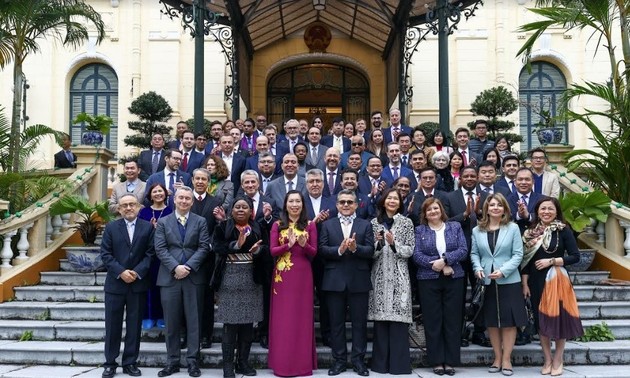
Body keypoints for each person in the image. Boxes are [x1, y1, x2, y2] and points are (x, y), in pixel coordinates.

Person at [522, 197, 583, 377]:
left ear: (556, 211)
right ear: (537, 211)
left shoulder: (564, 230)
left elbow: (575, 256)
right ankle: (547, 359)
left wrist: (553, 261)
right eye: (543, 209)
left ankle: (558, 358)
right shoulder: (530, 233)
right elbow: (526, 261)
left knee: (559, 320)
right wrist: (524, 283)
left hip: (557, 279)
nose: (546, 212)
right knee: (542, 321)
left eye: (550, 208)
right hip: (535, 281)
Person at [154, 186, 211, 378]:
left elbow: (204, 247)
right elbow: (160, 249)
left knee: (194, 320)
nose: (184, 201)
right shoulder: (163, 222)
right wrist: (175, 267)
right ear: (174, 200)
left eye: (188, 198)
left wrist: (187, 267)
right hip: (169, 278)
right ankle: (172, 361)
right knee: (171, 322)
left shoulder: (201, 221)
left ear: (192, 201)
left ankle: (193, 361)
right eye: (181, 198)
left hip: (193, 277)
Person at [319, 190, 375, 376]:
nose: (345, 205)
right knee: (336, 324)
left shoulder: (365, 225)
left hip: (358, 281)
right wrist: (340, 250)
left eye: (349, 202)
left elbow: (370, 251)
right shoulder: (327, 225)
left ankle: (359, 361)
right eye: (342, 202)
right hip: (334, 281)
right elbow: (322, 250)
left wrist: (355, 248)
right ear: (336, 205)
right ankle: (339, 361)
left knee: (359, 324)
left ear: (356, 205)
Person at [471, 193, 527, 376]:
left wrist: (504, 271)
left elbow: (518, 254)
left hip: (508, 280)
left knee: (509, 322)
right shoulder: (477, 230)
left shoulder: (512, 228)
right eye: (492, 205)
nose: (495, 208)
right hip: (487, 280)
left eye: (499, 205)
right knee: (492, 322)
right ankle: (497, 357)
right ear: (486, 208)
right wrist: (478, 268)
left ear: (504, 209)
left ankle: (507, 359)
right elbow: (474, 254)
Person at [100, 194, 154, 378]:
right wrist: (121, 272)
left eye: (132, 204)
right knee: (112, 326)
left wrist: (137, 272)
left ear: (139, 207)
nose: (129, 208)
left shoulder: (147, 228)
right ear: (119, 209)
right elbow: (106, 254)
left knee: (134, 326)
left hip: (137, 285)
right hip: (115, 285)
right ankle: (109, 363)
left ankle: (130, 362)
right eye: (125, 205)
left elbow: (150, 254)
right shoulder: (111, 227)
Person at [413, 198, 468, 376]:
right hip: (428, 279)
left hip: (453, 277)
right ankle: (436, 360)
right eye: (429, 210)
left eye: (435, 208)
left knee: (452, 320)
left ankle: (450, 361)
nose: (433, 212)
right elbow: (416, 254)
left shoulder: (455, 227)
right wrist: (435, 265)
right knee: (433, 320)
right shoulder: (419, 230)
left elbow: (463, 249)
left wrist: (445, 261)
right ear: (425, 213)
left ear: (441, 210)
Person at [213, 196, 266, 378]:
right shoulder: (222, 227)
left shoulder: (258, 227)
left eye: (245, 207)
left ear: (251, 211)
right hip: (229, 278)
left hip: (252, 279)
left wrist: (258, 250)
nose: (241, 210)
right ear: (232, 210)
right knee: (230, 325)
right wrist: (236, 245)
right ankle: (228, 366)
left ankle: (243, 362)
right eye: (237, 207)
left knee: (247, 325)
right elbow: (217, 247)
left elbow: (266, 249)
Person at [268, 191, 318, 377]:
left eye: (298, 201)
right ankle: (282, 363)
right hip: (282, 277)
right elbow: (273, 251)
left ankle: (301, 365)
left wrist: (304, 245)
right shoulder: (277, 225)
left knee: (301, 318)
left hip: (303, 275)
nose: (295, 204)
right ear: (286, 204)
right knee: (283, 319)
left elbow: (313, 253)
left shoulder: (310, 225)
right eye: (291, 201)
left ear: (302, 205)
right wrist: (287, 245)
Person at [368, 188, 414, 374]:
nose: (392, 201)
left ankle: (398, 366)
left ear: (400, 202)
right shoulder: (373, 223)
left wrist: (394, 244)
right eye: (389, 198)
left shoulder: (406, 223)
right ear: (383, 201)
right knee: (381, 323)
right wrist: (379, 243)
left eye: (396, 198)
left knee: (398, 322)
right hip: (379, 277)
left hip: (399, 277)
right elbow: (369, 253)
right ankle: (380, 365)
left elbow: (410, 250)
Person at [137, 183, 172, 330]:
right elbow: (138, 232)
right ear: (150, 195)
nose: (158, 193)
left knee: (162, 288)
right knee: (148, 286)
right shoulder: (144, 212)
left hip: (165, 254)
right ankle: (147, 316)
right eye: (155, 191)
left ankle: (162, 316)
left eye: (160, 191)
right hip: (148, 254)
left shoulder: (171, 211)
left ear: (165, 194)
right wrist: (150, 228)